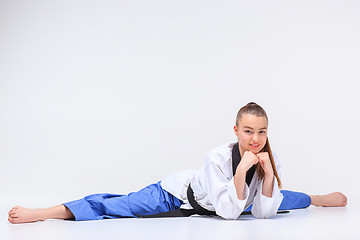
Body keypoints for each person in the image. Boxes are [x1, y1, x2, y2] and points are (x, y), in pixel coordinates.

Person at [8, 102, 347, 224]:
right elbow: (229, 214)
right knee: (121, 205)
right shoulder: (217, 157)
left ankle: (317, 198)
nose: (255, 139)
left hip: (228, 202)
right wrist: (242, 171)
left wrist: (268, 174)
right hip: (179, 194)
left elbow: (264, 212)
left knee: (284, 199)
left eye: (261, 131)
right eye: (248, 131)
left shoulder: (266, 157)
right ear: (236, 130)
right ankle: (45, 211)